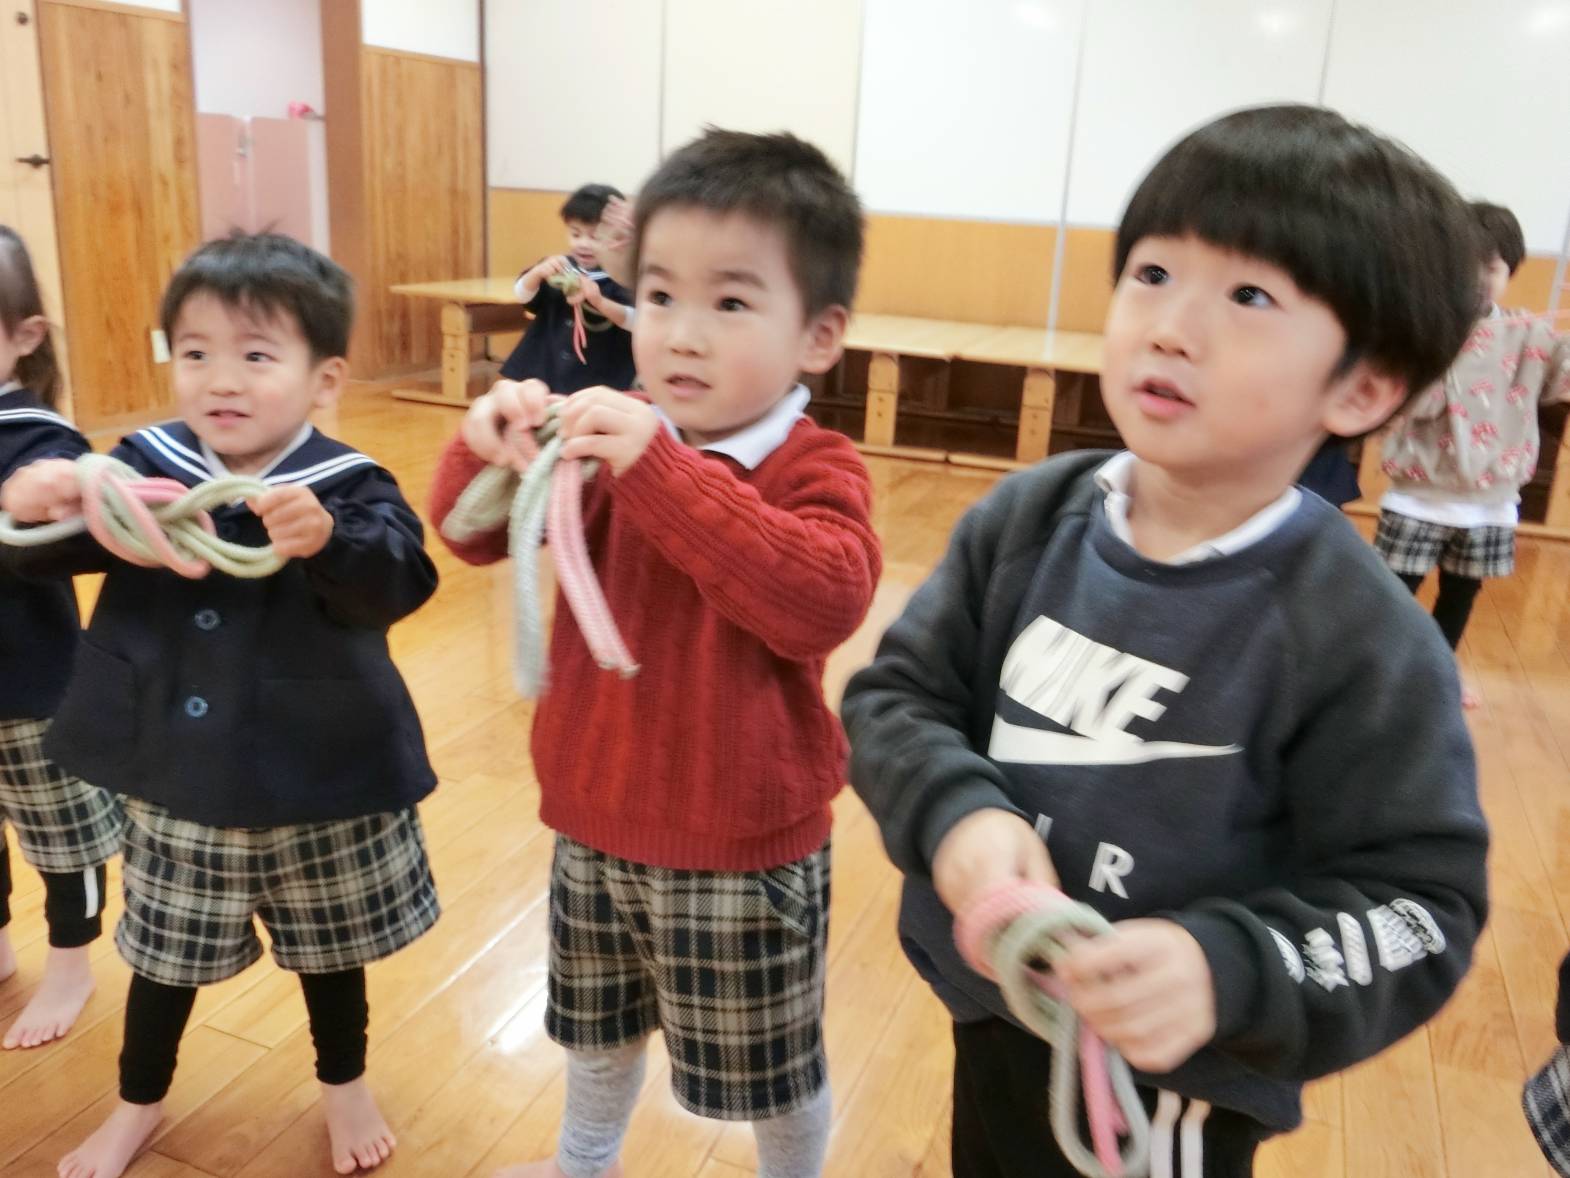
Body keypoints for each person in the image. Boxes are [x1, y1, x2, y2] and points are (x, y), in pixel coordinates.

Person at [842, 105, 1490, 1177]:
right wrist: (958, 814)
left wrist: (1224, 965)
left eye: (1248, 297)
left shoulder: (1358, 632)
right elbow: (895, 697)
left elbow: (1422, 909)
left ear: (1362, 386)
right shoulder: (1029, 518)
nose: (1170, 327)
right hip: (998, 1003)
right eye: (1151, 273)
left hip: (1174, 1090)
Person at [429, 129, 881, 1178]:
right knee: (596, 1029)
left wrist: (663, 471)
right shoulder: (611, 427)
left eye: (731, 302)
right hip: (592, 816)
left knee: (772, 1068)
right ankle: (583, 1162)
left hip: (743, 849)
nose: (681, 333)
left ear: (819, 335)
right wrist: (487, 441)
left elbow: (819, 600)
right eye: (662, 295)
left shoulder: (813, 464)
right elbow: (468, 531)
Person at [0, 232, 441, 1178]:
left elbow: (401, 581)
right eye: (195, 352)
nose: (220, 379)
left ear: (325, 380)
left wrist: (329, 538)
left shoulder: (349, 483)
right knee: (161, 958)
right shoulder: (146, 467)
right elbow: (47, 553)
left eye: (256, 354)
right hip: (176, 773)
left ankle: (344, 1083)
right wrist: (38, 500)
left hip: (318, 776)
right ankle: (137, 1103)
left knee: (330, 953)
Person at [0, 225, 124, 1052]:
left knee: (64, 837)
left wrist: (45, 494)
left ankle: (71, 964)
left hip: (32, 687)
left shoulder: (38, 436)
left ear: (24, 336)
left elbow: (77, 529)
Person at [1375, 200, 1570, 707]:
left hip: (1490, 499)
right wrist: (1446, 350)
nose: (1478, 279)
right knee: (1394, 594)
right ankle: (1377, 675)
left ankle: (1439, 672)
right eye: (1463, 266)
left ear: (1510, 272)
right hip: (1418, 494)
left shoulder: (1528, 333)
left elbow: (1561, 379)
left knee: (1461, 593)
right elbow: (1406, 402)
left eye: (1492, 267)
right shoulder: (1424, 332)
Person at [497, 183, 637, 394]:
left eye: (594, 237)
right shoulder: (559, 267)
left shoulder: (623, 278)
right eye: (575, 234)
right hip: (543, 369)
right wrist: (536, 274)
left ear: (617, 238)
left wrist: (599, 302)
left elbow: (636, 321)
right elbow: (522, 295)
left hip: (598, 377)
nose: (583, 244)